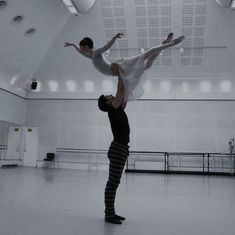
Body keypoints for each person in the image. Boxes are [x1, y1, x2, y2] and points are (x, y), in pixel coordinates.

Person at [65, 33, 185, 101]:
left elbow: (106, 47)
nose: (81, 50)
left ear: (86, 46)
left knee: (144, 55)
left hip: (120, 66)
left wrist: (115, 37)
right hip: (120, 72)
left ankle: (170, 44)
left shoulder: (95, 53)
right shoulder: (91, 56)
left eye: (81, 47)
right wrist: (73, 45)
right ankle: (164, 44)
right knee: (147, 65)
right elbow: (81, 53)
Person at [98, 75, 129, 224]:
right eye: (108, 96)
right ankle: (109, 214)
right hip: (118, 149)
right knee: (112, 183)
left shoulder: (117, 108)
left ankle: (111, 213)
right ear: (108, 102)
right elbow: (120, 90)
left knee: (114, 183)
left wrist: (123, 76)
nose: (111, 94)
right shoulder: (113, 108)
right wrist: (120, 74)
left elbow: (123, 92)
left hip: (121, 148)